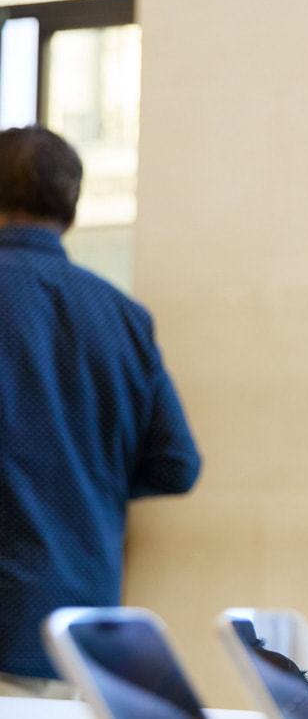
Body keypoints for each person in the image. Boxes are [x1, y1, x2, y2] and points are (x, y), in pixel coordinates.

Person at [0, 126, 201, 697]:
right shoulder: (122, 315)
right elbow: (175, 464)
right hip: (84, 634)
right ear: (72, 208)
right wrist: (86, 480)